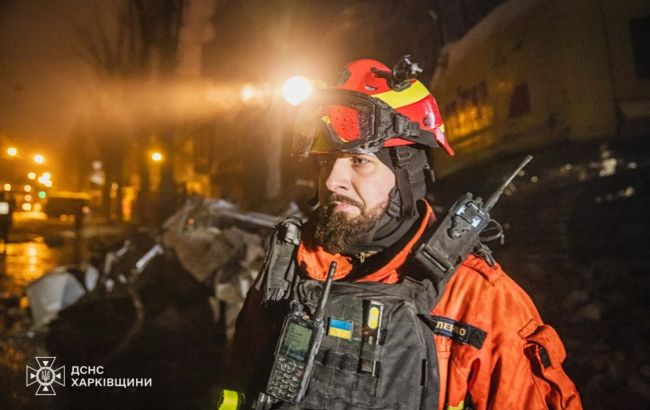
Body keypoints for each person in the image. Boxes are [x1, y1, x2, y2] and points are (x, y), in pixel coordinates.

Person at [220, 57, 582, 410]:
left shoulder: (477, 300)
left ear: (408, 174)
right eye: (325, 162)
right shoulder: (289, 271)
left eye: (359, 161)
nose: (331, 181)